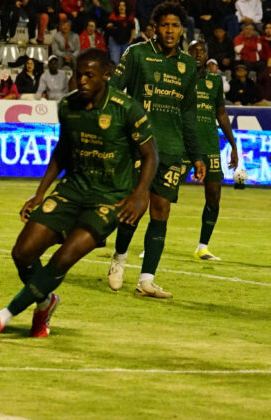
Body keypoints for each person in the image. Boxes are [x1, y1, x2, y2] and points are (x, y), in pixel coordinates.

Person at [0, 48, 158, 341]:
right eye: (78, 74)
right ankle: (46, 302)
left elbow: (151, 155)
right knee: (22, 253)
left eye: (89, 75)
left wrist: (139, 195)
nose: (81, 80)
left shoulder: (127, 109)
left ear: (106, 76)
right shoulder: (68, 107)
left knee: (60, 260)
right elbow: (62, 151)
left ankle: (2, 317)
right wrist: (39, 193)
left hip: (110, 198)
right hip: (73, 189)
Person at [107, 2, 206, 298]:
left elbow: (188, 113)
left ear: (182, 29)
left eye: (176, 25)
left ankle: (147, 280)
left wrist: (197, 155)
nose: (171, 31)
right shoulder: (137, 54)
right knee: (135, 208)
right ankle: (119, 260)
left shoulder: (188, 65)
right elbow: (113, 90)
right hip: (140, 146)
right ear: (154, 28)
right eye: (165, 25)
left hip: (173, 149)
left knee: (161, 210)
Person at [186, 41, 239, 261]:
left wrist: (233, 146)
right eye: (194, 51)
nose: (198, 54)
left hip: (208, 145)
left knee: (214, 196)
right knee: (164, 196)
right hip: (181, 144)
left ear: (207, 56)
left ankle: (203, 247)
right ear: (187, 54)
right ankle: (152, 242)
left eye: (202, 51)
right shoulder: (178, 79)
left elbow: (221, 114)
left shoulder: (215, 81)